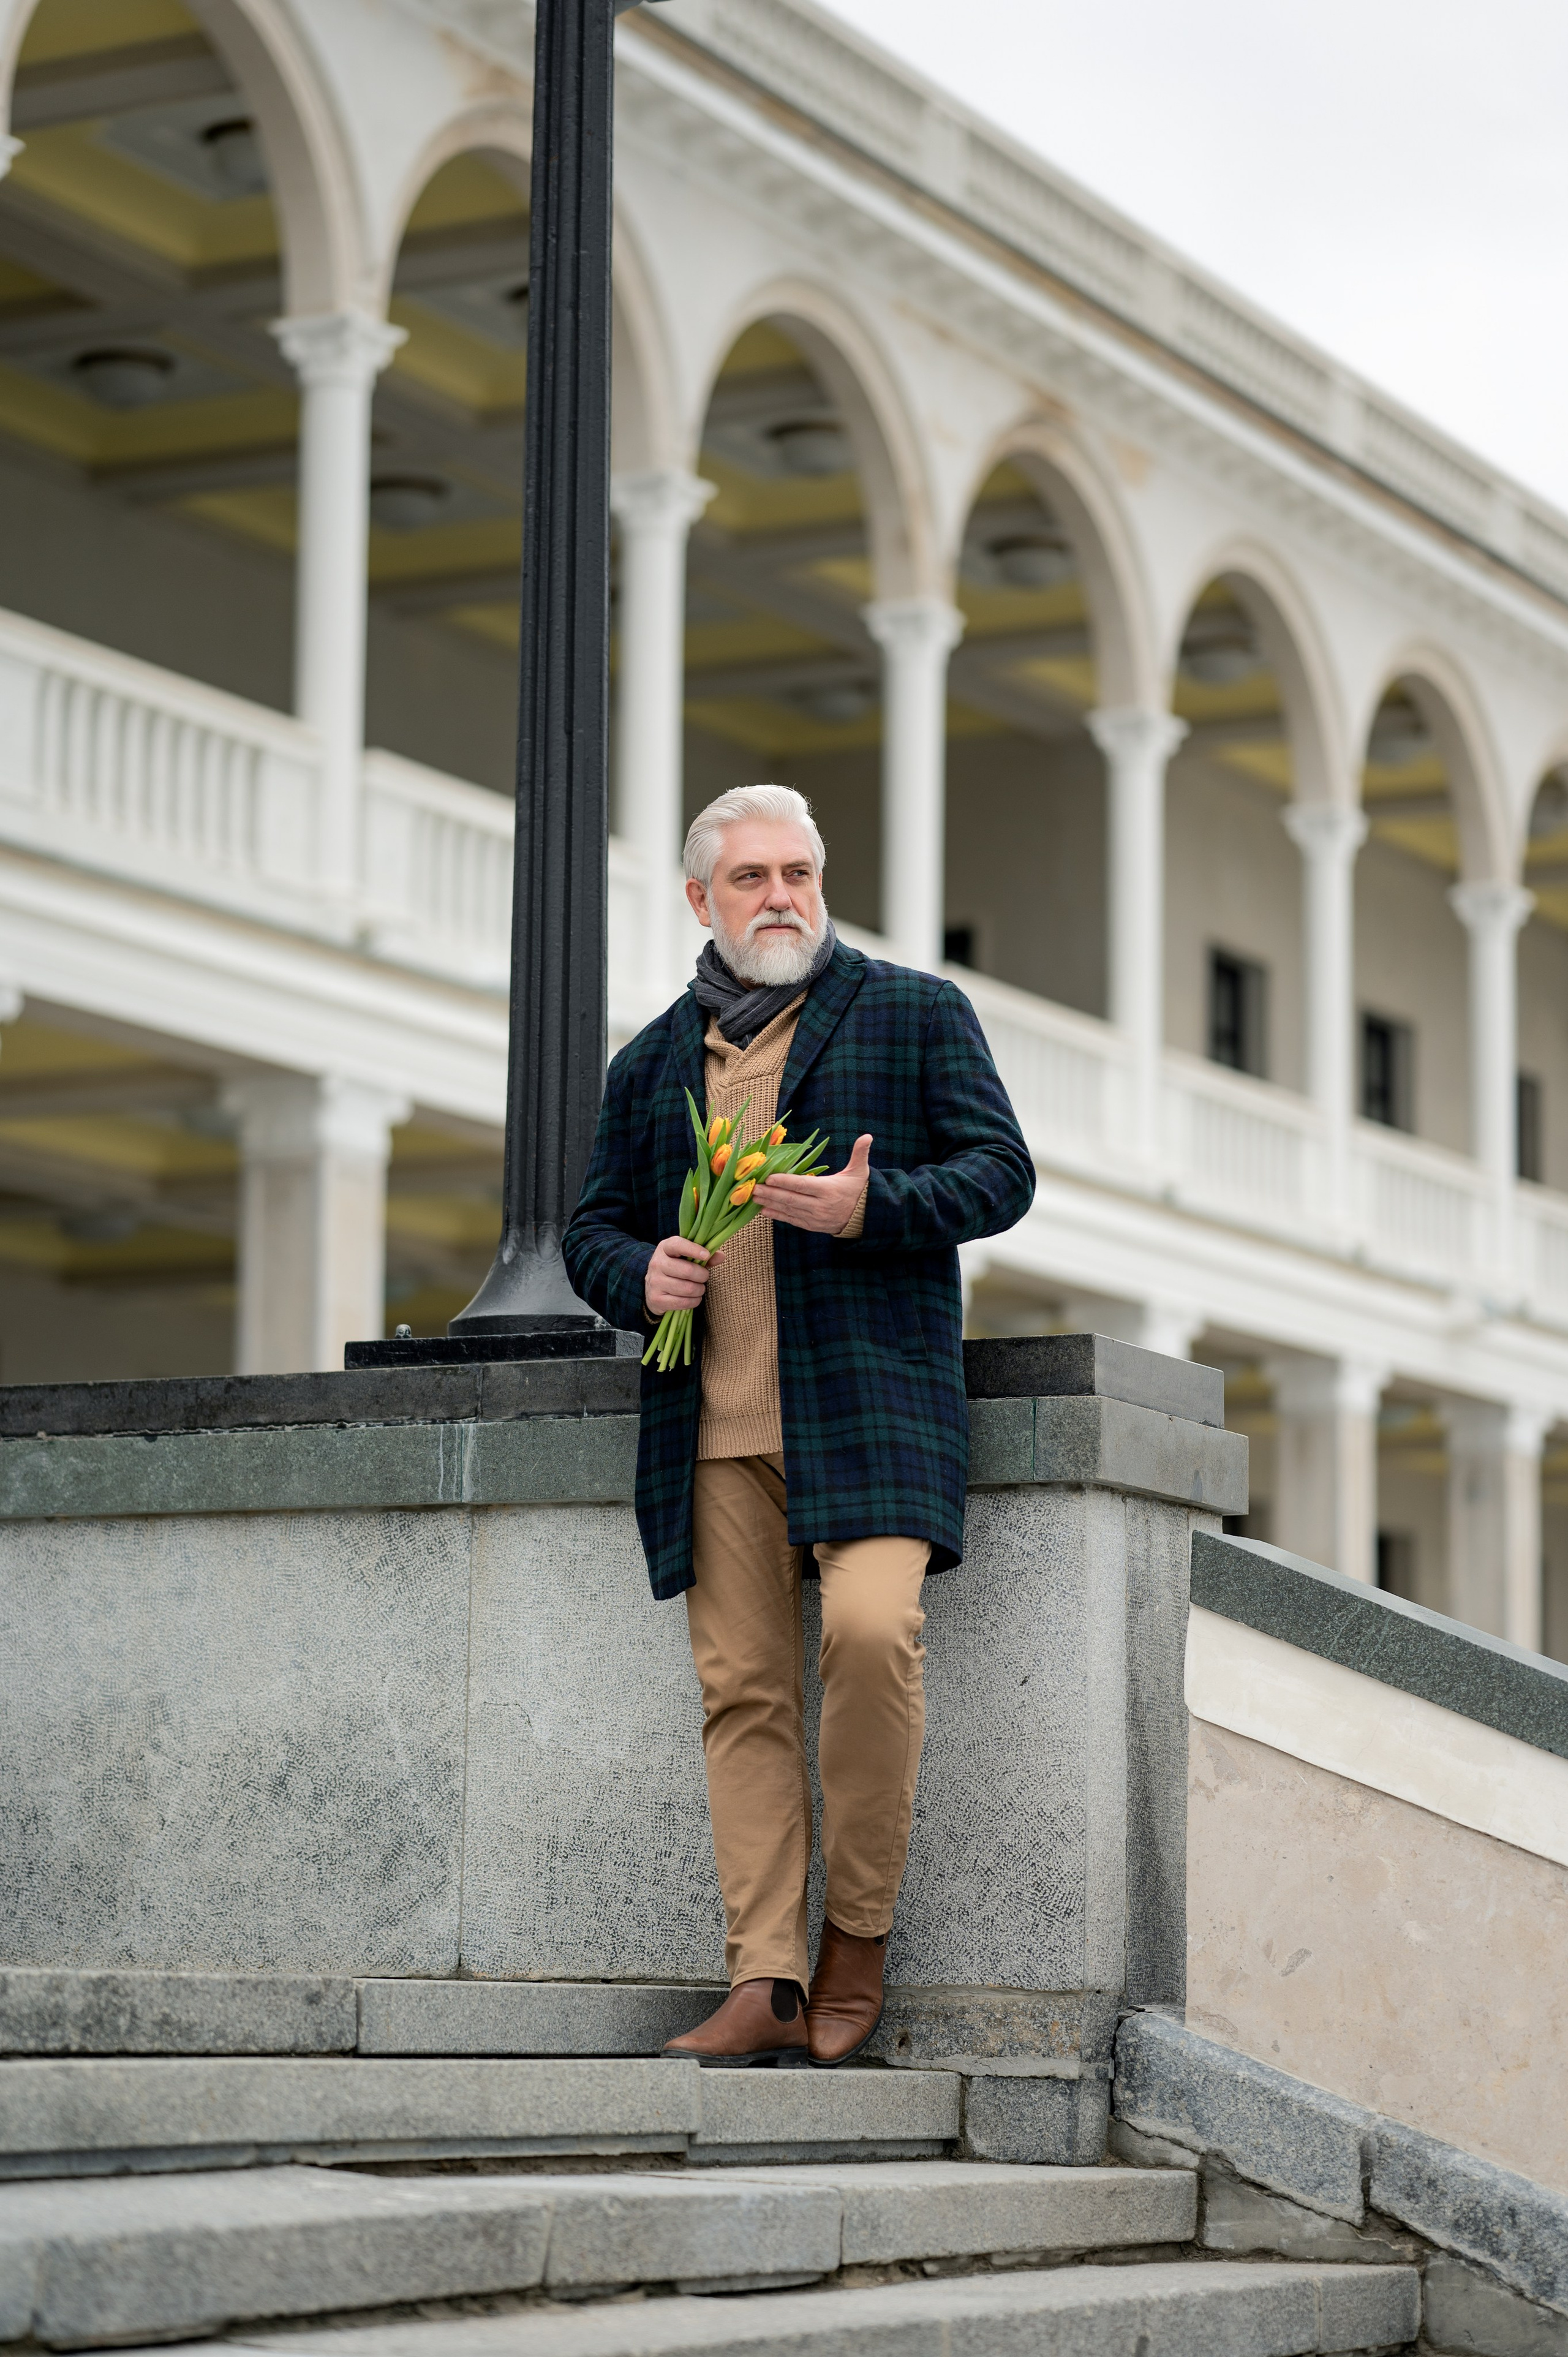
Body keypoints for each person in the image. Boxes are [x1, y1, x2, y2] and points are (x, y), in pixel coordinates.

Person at [564, 783, 1035, 2067]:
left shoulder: (913, 1011)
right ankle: (764, 1977)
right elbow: (591, 1227)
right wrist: (636, 1274)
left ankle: (857, 1939)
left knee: (873, 1637)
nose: (780, 896)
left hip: (871, 1411)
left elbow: (1002, 1174)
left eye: (798, 873)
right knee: (743, 1696)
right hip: (708, 1427)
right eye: (752, 878)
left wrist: (865, 1210)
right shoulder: (652, 1061)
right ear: (698, 899)